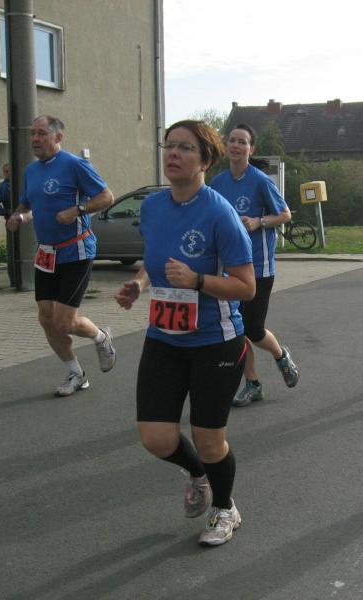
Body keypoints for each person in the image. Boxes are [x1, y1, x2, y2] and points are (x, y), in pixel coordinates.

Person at [115, 120, 255, 547]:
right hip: (164, 336)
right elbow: (153, 259)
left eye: (185, 148)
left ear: (205, 160)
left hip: (216, 340)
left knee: (210, 440)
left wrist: (197, 281)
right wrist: (138, 283)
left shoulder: (219, 213)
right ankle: (198, 474)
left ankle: (225, 508)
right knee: (155, 438)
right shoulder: (153, 207)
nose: (173, 154)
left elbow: (246, 286)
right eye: (169, 145)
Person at [5, 115, 116, 396]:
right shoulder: (31, 171)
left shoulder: (75, 165)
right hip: (46, 253)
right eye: (33, 133)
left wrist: (77, 210)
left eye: (41, 133)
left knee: (64, 322)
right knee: (46, 319)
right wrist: (19, 216)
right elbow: (27, 206)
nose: (35, 139)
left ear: (58, 137)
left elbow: (106, 197)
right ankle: (76, 373)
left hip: (76, 250)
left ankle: (101, 337)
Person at [210, 124, 299, 408]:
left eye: (242, 142)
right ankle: (252, 383)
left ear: (251, 149)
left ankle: (280, 355)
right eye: (232, 140)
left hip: (259, 267)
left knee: (253, 328)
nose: (236, 146)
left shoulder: (260, 181)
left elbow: (285, 214)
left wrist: (258, 221)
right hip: (229, 268)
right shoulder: (218, 183)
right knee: (238, 328)